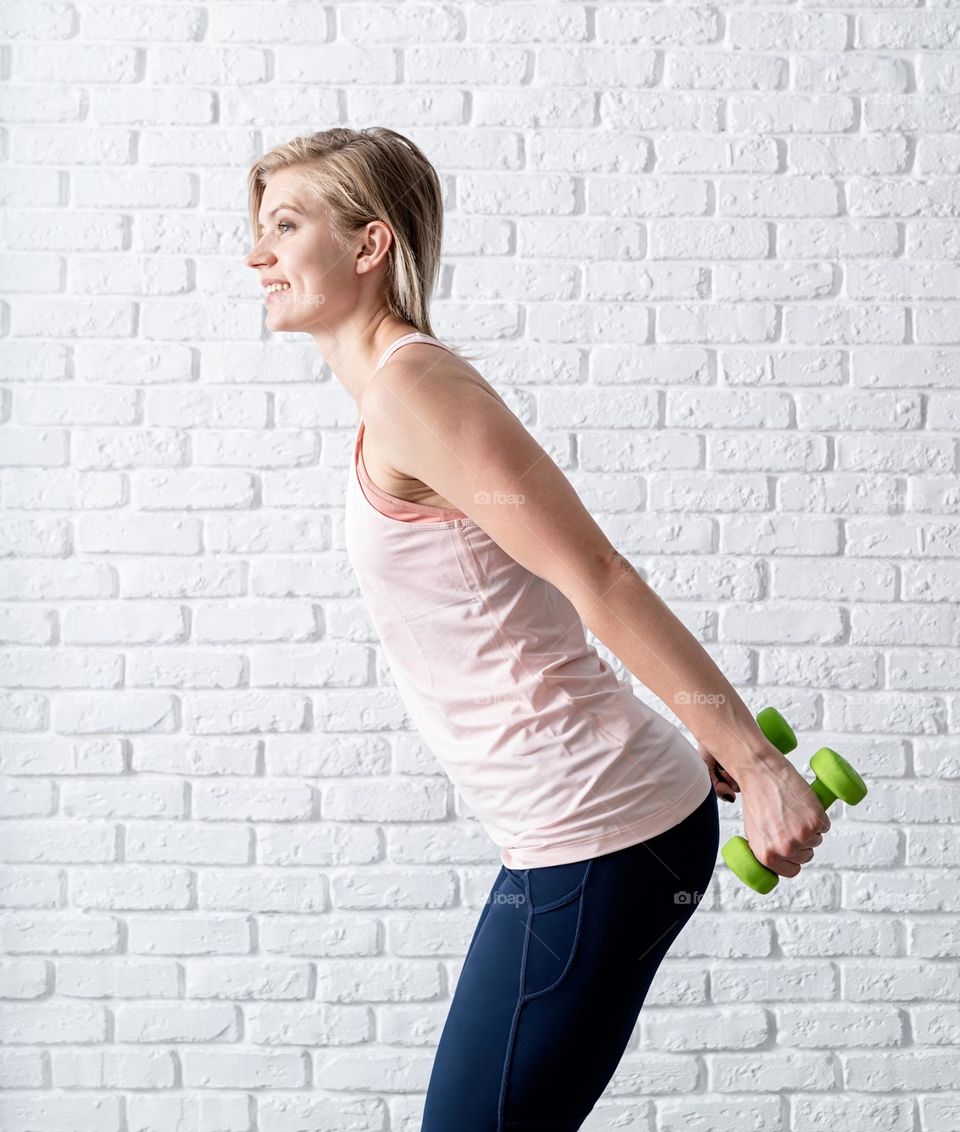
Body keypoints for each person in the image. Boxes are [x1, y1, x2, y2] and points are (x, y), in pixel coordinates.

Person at [244, 127, 831, 1131]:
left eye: (285, 225)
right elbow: (525, 593)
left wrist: (758, 760)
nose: (256, 254)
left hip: (597, 833)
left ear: (369, 244)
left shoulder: (414, 388)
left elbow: (597, 572)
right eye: (258, 230)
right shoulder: (395, 395)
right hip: (581, 826)